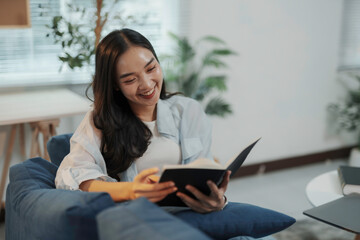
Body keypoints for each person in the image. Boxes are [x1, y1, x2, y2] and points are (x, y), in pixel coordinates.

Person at [55, 28, 230, 213]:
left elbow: (203, 170)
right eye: (130, 80)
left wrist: (217, 199)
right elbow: (70, 176)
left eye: (151, 68)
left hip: (192, 216)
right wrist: (131, 191)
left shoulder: (188, 110)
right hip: (139, 220)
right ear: (114, 84)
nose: (147, 84)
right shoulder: (100, 120)